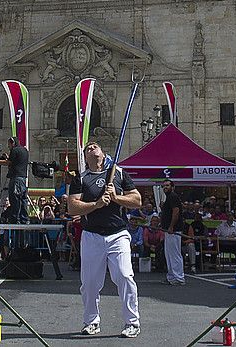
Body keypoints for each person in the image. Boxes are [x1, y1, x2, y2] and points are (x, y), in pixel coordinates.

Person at [66, 141, 142, 338]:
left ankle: (132, 322)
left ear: (102, 152)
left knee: (125, 276)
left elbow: (136, 201)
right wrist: (96, 204)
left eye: (95, 146)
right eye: (88, 148)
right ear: (85, 156)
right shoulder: (80, 179)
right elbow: (73, 207)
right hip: (91, 235)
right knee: (90, 283)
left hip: (118, 234)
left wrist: (116, 198)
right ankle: (91, 321)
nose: (92, 148)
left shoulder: (118, 173)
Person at [0, 136, 31, 224]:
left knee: (15, 199)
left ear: (12, 143)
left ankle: (15, 219)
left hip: (15, 179)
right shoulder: (25, 151)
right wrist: (8, 157)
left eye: (9, 145)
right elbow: (17, 161)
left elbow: (9, 163)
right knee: (23, 199)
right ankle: (24, 219)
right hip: (23, 179)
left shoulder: (15, 150)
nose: (8, 147)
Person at [159, 178, 184, 286]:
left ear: (172, 187)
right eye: (164, 186)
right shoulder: (169, 198)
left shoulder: (173, 197)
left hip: (173, 230)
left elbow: (176, 212)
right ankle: (172, 276)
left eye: (167, 185)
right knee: (169, 254)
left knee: (174, 254)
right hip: (168, 230)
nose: (165, 187)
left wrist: (171, 226)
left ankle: (179, 277)